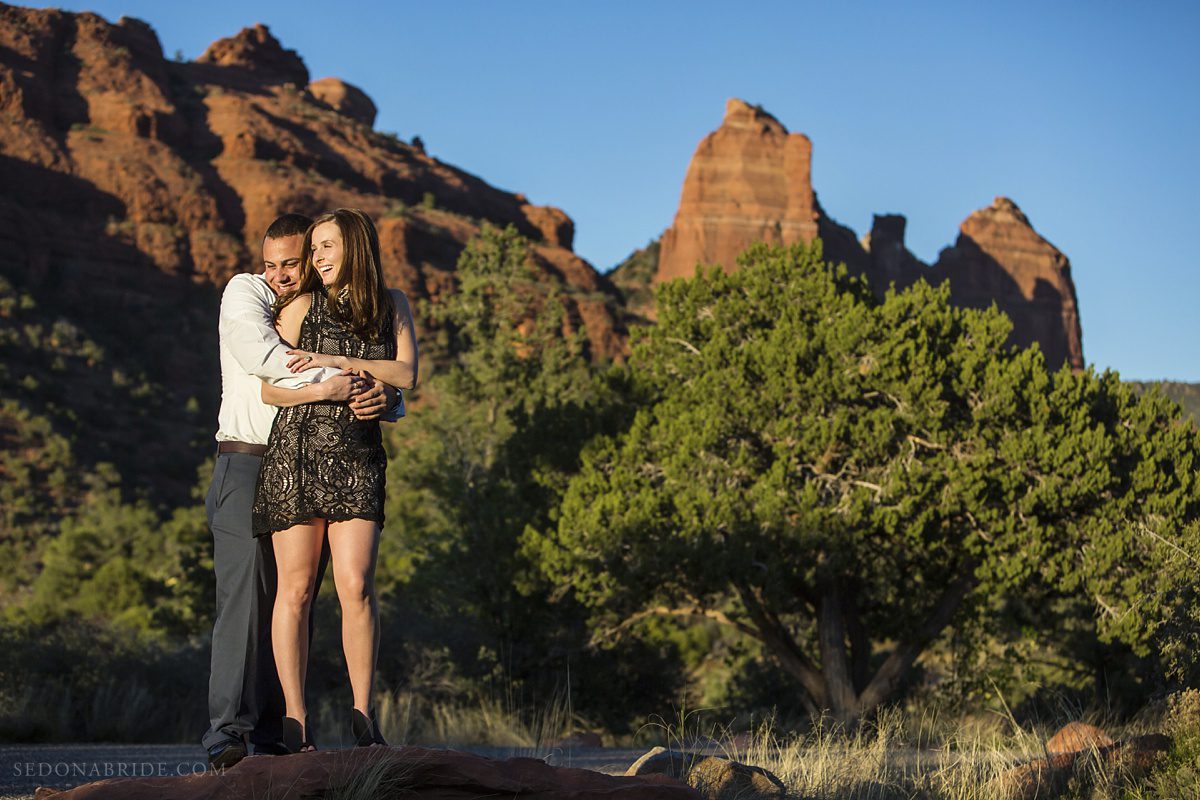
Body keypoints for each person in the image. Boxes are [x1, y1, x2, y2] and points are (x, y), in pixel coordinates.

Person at [203, 213, 403, 769]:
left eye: (293, 262)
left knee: (295, 601)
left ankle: (275, 733)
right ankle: (227, 734)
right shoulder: (246, 292)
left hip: (314, 462)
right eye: (273, 263)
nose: (281, 274)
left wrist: (385, 399)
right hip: (248, 462)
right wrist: (333, 383)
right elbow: (265, 362)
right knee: (246, 602)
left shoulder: (323, 307)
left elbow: (388, 378)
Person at [251, 208, 418, 752]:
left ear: (357, 247)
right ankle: (296, 723)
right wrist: (324, 388)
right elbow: (270, 391)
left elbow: (407, 374)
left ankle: (364, 718)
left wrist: (336, 360)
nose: (317, 257)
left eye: (327, 246)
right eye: (315, 248)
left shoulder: (391, 305)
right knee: (296, 590)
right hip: (298, 454)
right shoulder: (300, 305)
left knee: (357, 586)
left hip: (359, 458)